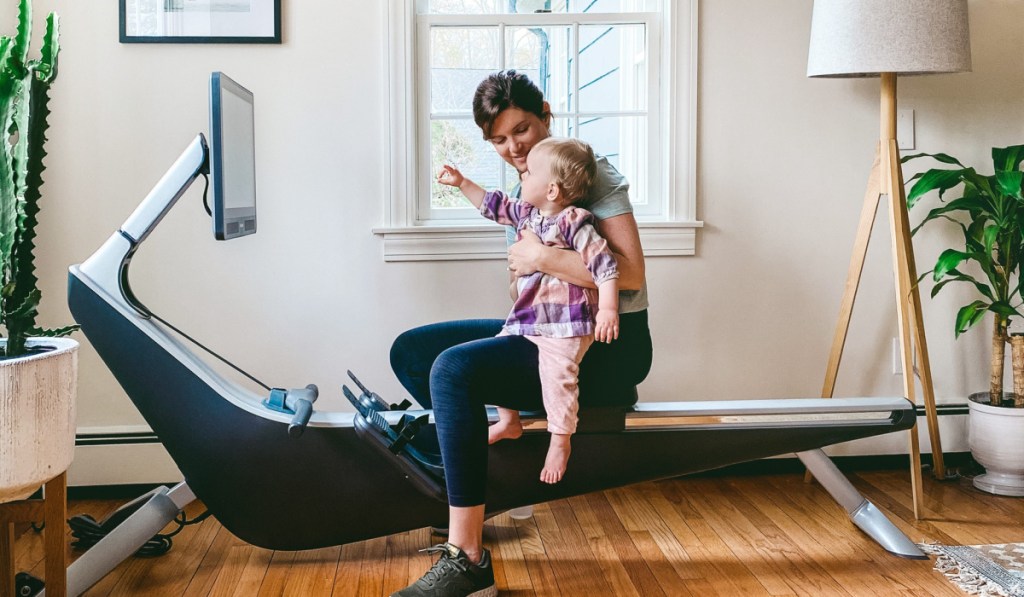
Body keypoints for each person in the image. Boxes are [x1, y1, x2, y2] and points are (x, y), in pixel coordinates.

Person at [390, 70, 652, 597]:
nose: (512, 148)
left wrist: (545, 257)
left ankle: (467, 559)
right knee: (415, 353)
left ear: (547, 116)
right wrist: (523, 275)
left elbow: (631, 274)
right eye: (499, 140)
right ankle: (490, 476)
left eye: (522, 130)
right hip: (549, 328)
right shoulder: (527, 183)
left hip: (606, 343)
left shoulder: (584, 170)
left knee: (454, 371)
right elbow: (526, 289)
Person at [437, 136, 620, 485]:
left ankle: (561, 440)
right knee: (493, 359)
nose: (522, 174)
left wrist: (608, 309)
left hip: (566, 325)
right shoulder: (526, 216)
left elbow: (606, 267)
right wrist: (462, 183)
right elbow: (492, 204)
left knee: (558, 379)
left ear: (551, 190)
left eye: (530, 172)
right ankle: (509, 421)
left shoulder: (574, 223)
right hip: (529, 319)